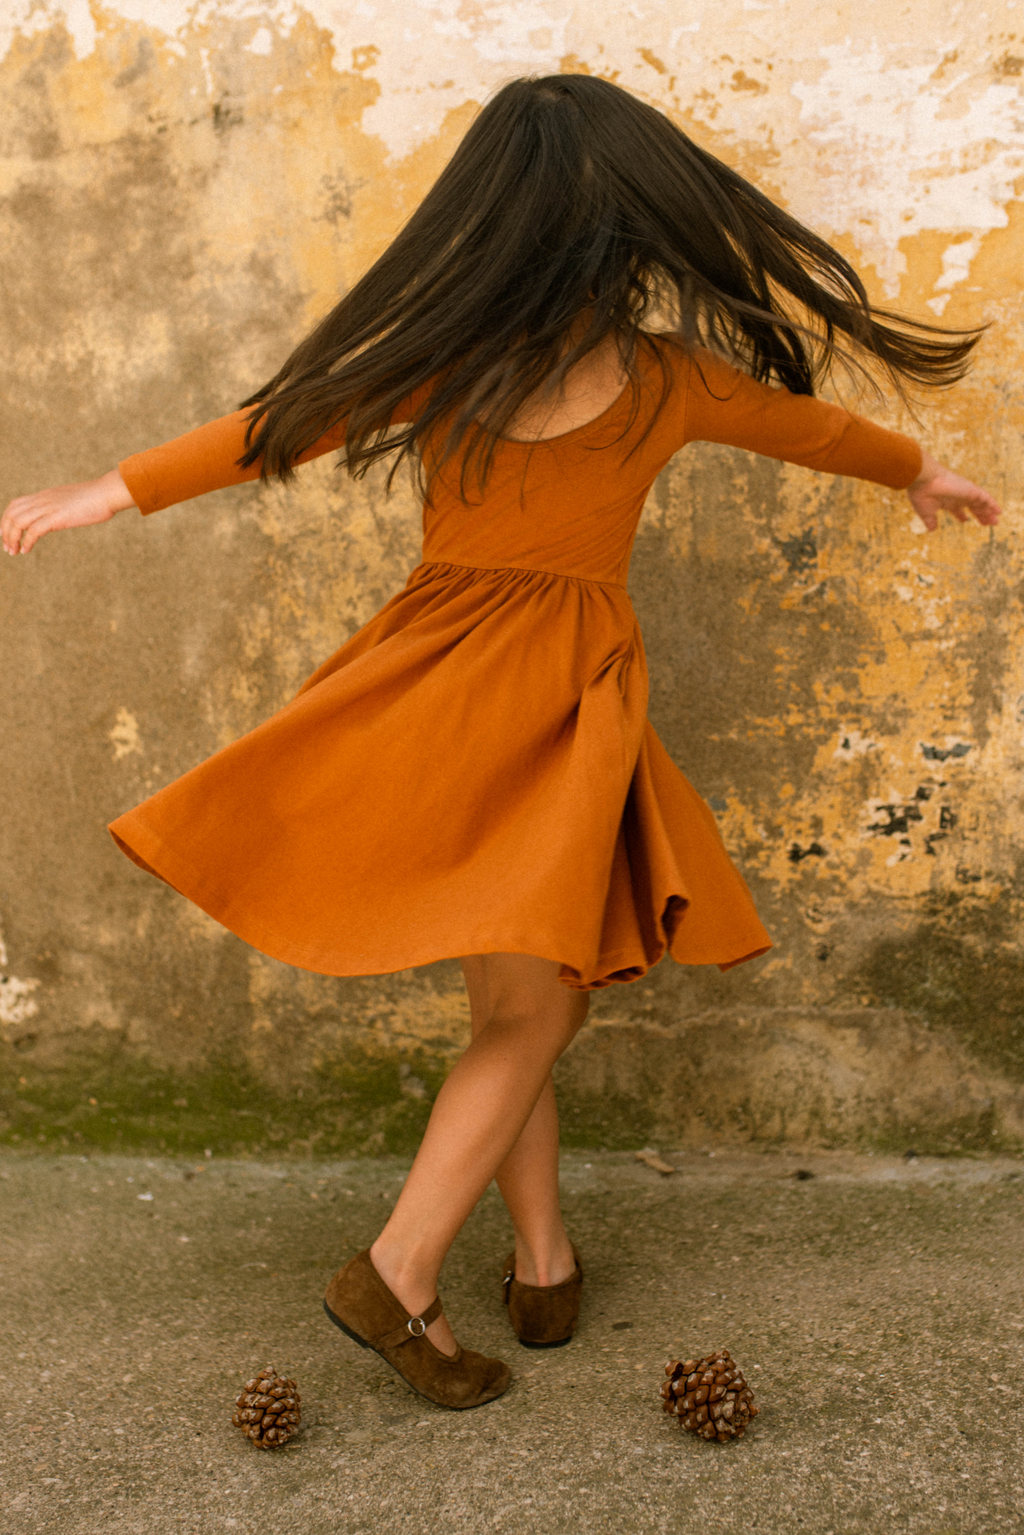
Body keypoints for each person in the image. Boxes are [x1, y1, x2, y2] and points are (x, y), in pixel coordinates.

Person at [1, 74, 1001, 1411]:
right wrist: (912, 470)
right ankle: (401, 1267)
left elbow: (267, 434)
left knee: (506, 1002)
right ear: (626, 237)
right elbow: (807, 429)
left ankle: (542, 1261)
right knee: (546, 1000)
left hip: (436, 689)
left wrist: (102, 494)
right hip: (559, 706)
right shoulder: (661, 377)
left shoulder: (451, 367)